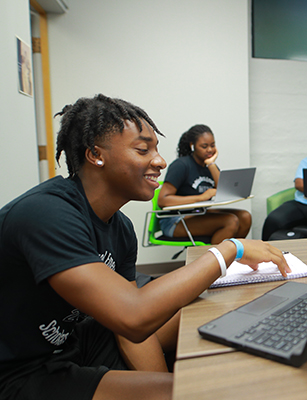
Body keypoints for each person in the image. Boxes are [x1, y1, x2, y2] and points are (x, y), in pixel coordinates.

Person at [0, 94, 290, 400]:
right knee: (187, 391)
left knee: (211, 307)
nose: (160, 161)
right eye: (143, 150)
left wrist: (160, 382)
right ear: (95, 154)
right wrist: (230, 249)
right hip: (20, 371)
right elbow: (133, 317)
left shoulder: (120, 228)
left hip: (75, 340)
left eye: (156, 149)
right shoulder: (46, 213)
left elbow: (129, 330)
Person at [157, 124, 252, 244]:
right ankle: (215, 260)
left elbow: (223, 192)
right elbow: (163, 200)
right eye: (204, 146)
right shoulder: (181, 165)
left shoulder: (209, 166)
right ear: (193, 146)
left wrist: (211, 164)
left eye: (213, 145)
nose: (210, 150)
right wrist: (201, 198)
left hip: (199, 214)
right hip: (175, 220)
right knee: (230, 221)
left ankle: (231, 257)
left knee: (245, 217)